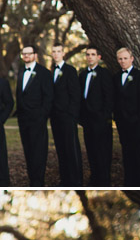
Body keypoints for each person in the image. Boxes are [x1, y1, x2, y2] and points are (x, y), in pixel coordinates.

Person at [15, 44, 53, 186]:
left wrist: (42, 115)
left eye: (29, 53)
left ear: (35, 55)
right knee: (28, 150)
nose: (26, 56)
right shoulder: (20, 72)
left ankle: (38, 180)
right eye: (24, 54)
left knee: (39, 150)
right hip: (23, 120)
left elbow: (48, 96)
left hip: (38, 119)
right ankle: (32, 179)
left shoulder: (43, 73)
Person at [78, 45, 113, 186]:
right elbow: (80, 97)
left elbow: (109, 98)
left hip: (101, 120)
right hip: (87, 121)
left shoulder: (104, 74)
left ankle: (104, 181)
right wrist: (81, 118)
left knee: (103, 152)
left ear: (99, 57)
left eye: (93, 54)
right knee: (91, 151)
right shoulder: (82, 75)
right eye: (88, 54)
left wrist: (104, 116)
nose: (90, 57)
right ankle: (94, 179)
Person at [50, 43, 83, 186]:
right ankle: (65, 180)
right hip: (55, 117)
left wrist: (72, 114)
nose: (56, 54)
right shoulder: (51, 72)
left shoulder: (70, 70)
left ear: (63, 53)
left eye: (59, 51)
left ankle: (76, 180)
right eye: (54, 51)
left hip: (67, 116)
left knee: (72, 149)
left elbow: (75, 94)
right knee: (61, 149)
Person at [113, 47, 140, 186]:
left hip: (136, 123)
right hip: (122, 123)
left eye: (125, 58)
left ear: (132, 59)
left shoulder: (138, 75)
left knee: (137, 153)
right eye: (120, 59)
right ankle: (129, 181)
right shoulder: (116, 77)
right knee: (127, 153)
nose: (123, 61)